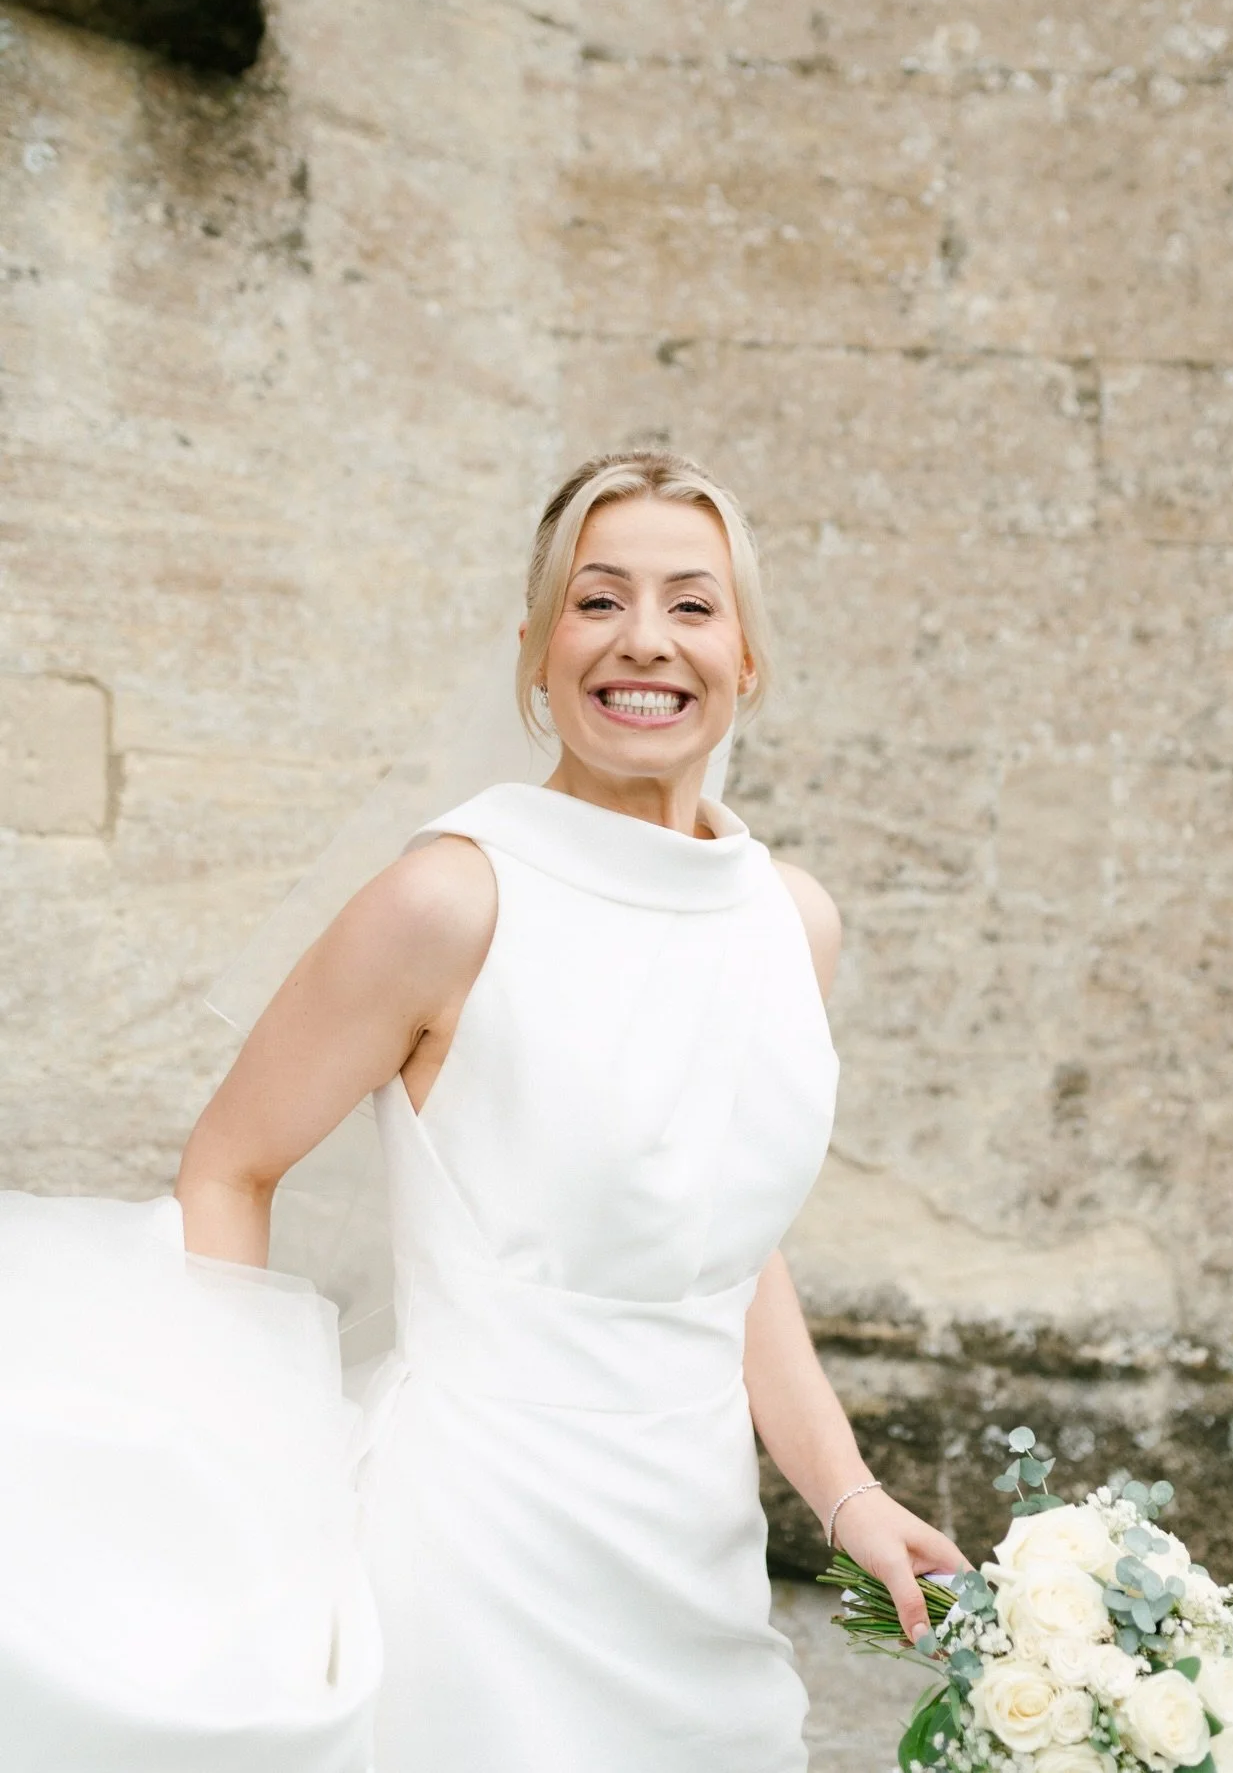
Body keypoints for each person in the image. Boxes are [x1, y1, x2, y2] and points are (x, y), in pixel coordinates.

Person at [2, 450, 966, 1772]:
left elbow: (720, 1247)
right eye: (598, 599)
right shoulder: (453, 901)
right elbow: (228, 1163)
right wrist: (236, 1485)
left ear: (750, 658)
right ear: (534, 651)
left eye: (692, 604)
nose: (645, 640)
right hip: (474, 1557)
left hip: (696, 1558)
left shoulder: (792, 923)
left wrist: (846, 1491)